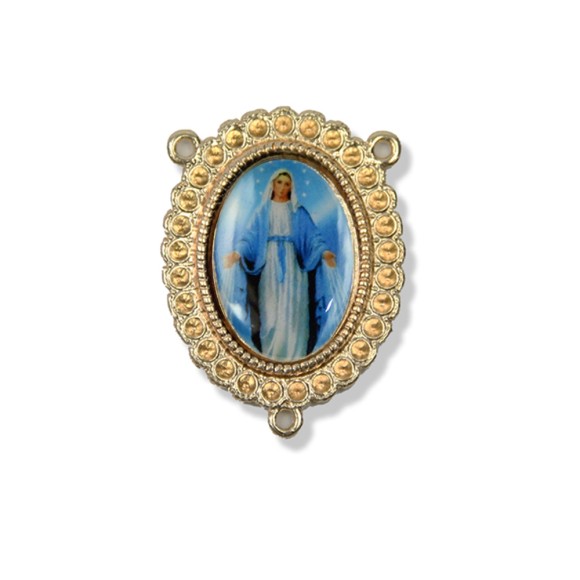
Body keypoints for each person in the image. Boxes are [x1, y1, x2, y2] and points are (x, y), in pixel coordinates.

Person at [223, 169, 338, 361]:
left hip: (294, 268)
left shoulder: (298, 211)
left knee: (294, 312)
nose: (282, 187)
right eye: (279, 182)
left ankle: (296, 356)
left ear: (291, 187)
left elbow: (313, 236)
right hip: (270, 265)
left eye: (287, 184)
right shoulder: (263, 211)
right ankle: (271, 356)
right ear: (272, 184)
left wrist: (324, 252)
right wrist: (237, 254)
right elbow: (249, 237)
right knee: (270, 313)